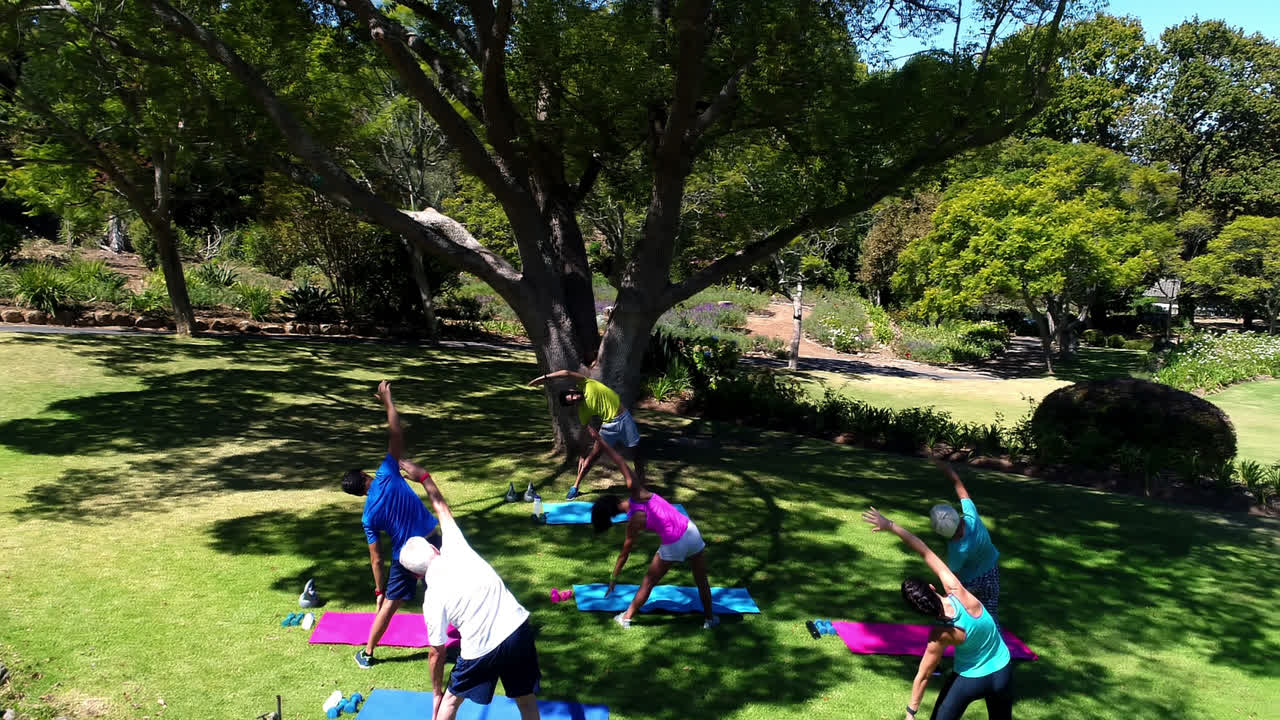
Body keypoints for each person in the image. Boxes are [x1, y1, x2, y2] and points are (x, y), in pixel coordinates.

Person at [398, 457, 542, 720]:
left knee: (450, 703)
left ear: (416, 574)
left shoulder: (431, 600)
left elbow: (436, 652)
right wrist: (423, 476)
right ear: (433, 548)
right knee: (526, 699)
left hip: (480, 650)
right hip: (517, 629)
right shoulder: (454, 545)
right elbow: (440, 507)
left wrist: (436, 694)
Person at [861, 506, 1013, 720]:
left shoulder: (938, 636)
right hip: (1003, 669)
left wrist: (910, 713)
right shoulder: (956, 588)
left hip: (971, 679)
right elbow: (924, 550)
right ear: (933, 588)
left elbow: (923, 676)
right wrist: (891, 525)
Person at [340, 380, 441, 669]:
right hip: (432, 540)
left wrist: (379, 590)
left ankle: (368, 653)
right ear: (364, 475)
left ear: (357, 493)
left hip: (405, 557)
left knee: (390, 605)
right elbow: (396, 432)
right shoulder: (386, 473)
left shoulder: (367, 516)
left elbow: (376, 557)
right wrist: (387, 401)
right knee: (454, 582)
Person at [588, 422, 717, 630]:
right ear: (613, 498)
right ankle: (710, 619)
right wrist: (600, 440)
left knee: (649, 582)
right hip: (692, 532)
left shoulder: (632, 525)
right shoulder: (637, 491)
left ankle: (626, 618)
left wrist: (613, 579)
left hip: (674, 543)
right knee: (701, 580)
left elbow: (624, 554)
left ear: (612, 515)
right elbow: (619, 460)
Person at [528, 368, 643, 499]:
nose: (573, 398)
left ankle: (642, 487)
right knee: (591, 458)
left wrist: (544, 378)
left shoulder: (586, 383)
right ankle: (575, 487)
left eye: (571, 395)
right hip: (608, 427)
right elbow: (587, 431)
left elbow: (566, 373)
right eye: (571, 400)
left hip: (624, 419)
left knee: (637, 454)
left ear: (572, 390)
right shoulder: (583, 410)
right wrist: (583, 453)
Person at [927, 459, 1001, 621]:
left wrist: (948, 594)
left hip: (972, 580)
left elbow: (955, 576)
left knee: (965, 612)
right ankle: (994, 639)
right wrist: (949, 472)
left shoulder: (957, 549)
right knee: (991, 612)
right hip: (992, 572)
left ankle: (962, 631)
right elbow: (961, 490)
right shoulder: (971, 517)